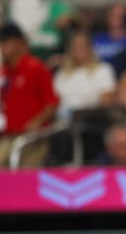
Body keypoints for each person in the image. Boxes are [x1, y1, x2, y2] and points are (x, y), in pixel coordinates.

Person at [0, 23, 59, 168]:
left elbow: (52, 103)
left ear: (20, 43)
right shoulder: (4, 72)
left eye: (7, 42)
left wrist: (37, 122)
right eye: (1, 43)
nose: (3, 47)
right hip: (7, 136)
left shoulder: (36, 68)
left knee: (26, 176)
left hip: (31, 138)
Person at [53, 31, 116, 117]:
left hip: (91, 116)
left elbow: (106, 100)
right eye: (76, 48)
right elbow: (55, 100)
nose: (80, 51)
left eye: (83, 47)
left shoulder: (103, 69)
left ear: (90, 49)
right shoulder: (62, 73)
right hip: (64, 115)